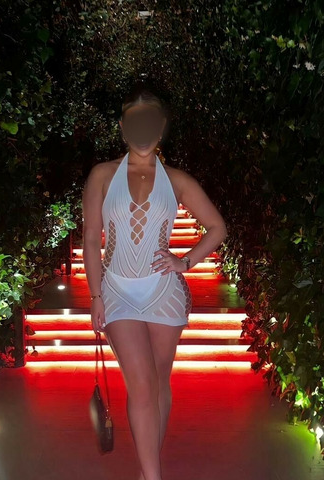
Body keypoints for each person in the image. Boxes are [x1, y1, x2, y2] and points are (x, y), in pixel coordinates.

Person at [81, 84, 228, 480]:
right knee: (142, 384)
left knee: (159, 382)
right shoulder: (102, 175)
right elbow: (91, 238)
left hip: (165, 292)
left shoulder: (177, 180)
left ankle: (148, 471)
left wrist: (185, 261)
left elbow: (217, 227)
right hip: (116, 291)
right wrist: (95, 296)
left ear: (161, 126)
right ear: (123, 125)